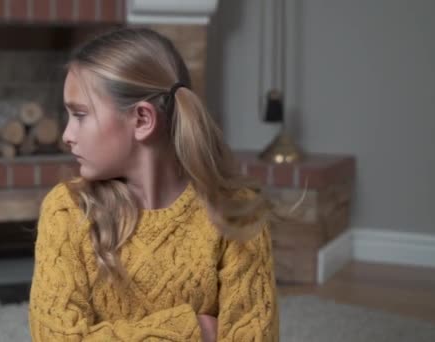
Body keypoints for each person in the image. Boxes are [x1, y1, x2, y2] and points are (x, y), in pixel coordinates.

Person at [28, 27, 279, 341]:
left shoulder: (236, 212)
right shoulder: (67, 209)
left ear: (142, 120)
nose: (66, 134)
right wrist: (192, 331)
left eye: (80, 115)